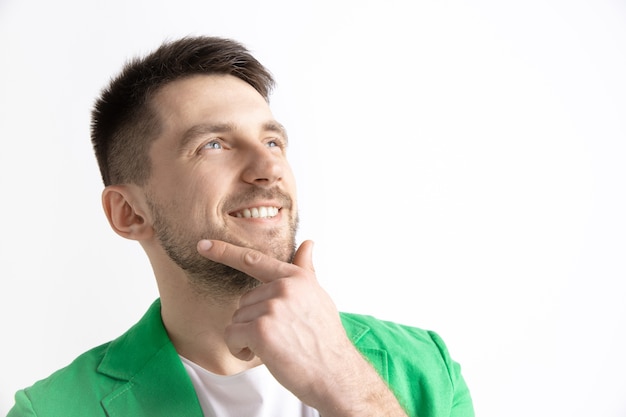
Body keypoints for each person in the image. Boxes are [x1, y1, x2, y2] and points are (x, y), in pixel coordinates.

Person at [7, 36, 474, 417]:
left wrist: (347, 387)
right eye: (214, 145)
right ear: (129, 212)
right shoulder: (52, 410)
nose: (268, 168)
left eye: (273, 140)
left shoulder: (426, 366)